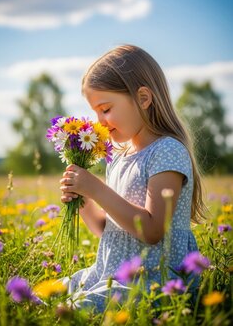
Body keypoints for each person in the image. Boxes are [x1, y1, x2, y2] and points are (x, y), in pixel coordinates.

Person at [59, 44, 206, 313]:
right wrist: (84, 199)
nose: (99, 122)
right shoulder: (117, 157)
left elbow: (151, 230)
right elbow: (107, 229)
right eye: (94, 112)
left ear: (143, 98)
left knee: (75, 308)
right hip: (111, 276)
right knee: (50, 293)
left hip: (153, 282)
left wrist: (97, 189)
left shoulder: (167, 151)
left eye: (105, 109)